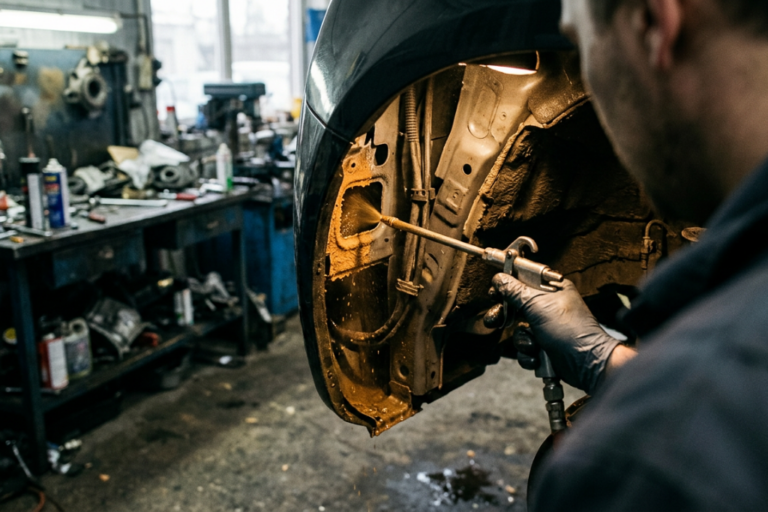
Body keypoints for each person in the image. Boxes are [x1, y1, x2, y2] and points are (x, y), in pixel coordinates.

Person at [493, 0, 768, 510]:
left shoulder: (632, 465)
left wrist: (619, 381)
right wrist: (605, 359)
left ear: (650, 23)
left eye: (580, 48)